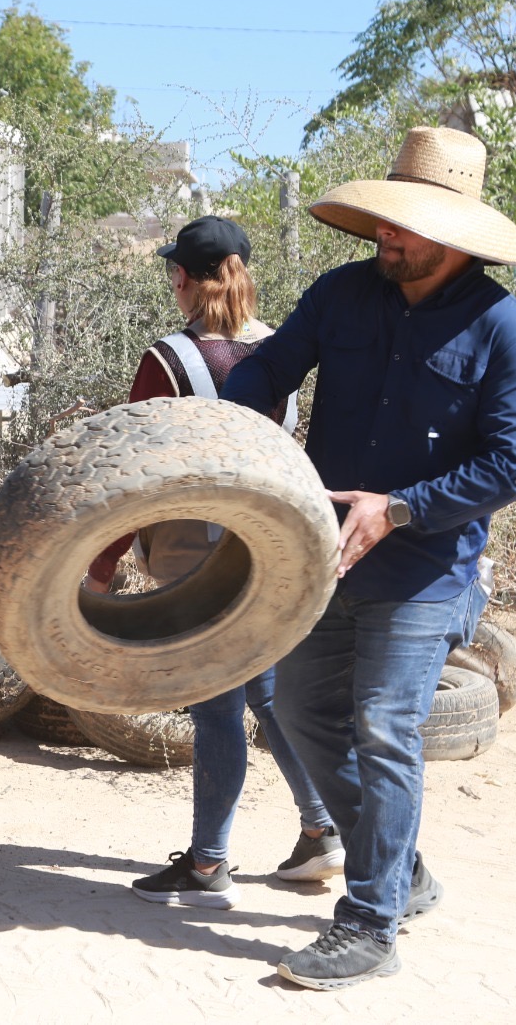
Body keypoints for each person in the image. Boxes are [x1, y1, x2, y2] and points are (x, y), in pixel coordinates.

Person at [221, 127, 516, 990]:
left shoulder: (505, 330)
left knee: (384, 726)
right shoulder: (341, 295)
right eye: (383, 224)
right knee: (297, 710)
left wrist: (401, 508)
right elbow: (270, 370)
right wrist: (236, 424)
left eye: (402, 230)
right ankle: (402, 872)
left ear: (452, 237)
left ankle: (369, 923)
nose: (385, 238)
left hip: (426, 572)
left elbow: (515, 463)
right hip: (325, 558)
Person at [80, 216, 343, 910]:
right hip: (271, 543)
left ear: (186, 280)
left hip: (191, 552)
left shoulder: (169, 360)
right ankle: (322, 830)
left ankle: (206, 867)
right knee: (268, 691)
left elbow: (128, 474)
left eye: (174, 271)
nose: (171, 281)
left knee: (218, 704)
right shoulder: (281, 349)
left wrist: (102, 562)